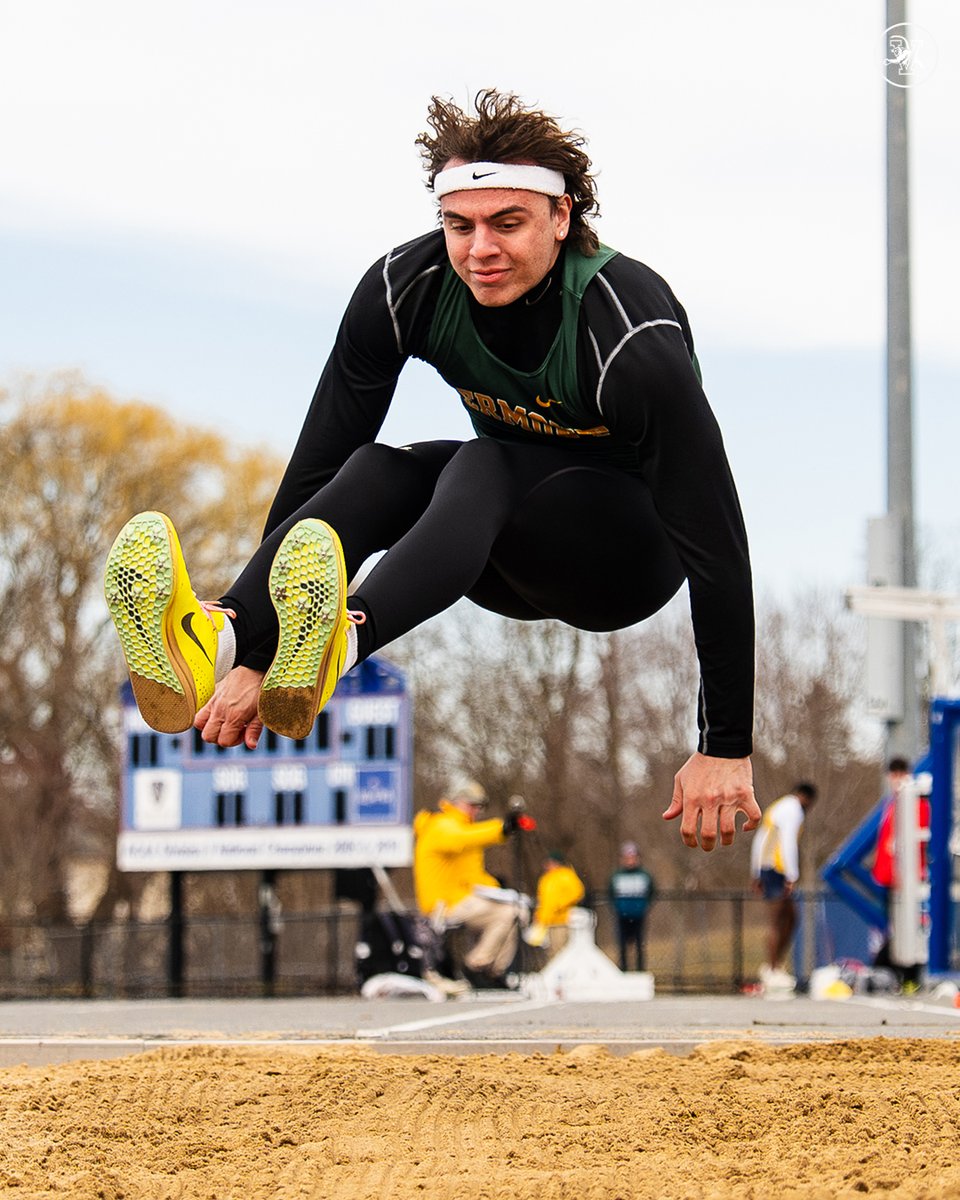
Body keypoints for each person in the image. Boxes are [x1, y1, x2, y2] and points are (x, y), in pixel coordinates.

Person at [104, 89, 759, 851]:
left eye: (507, 223)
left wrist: (725, 741)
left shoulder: (629, 335)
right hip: (491, 551)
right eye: (460, 225)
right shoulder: (404, 288)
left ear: (562, 216)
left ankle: (338, 646)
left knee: (482, 461)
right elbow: (319, 468)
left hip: (624, 560)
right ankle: (214, 635)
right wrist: (257, 654)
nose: (480, 248)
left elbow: (718, 548)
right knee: (378, 468)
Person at [412, 778, 525, 986]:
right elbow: (461, 838)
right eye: (472, 805)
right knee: (509, 912)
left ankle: (494, 972)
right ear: (456, 802)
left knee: (516, 910)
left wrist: (497, 887)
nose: (476, 811)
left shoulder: (464, 829)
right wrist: (502, 829)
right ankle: (477, 965)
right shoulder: (440, 825)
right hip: (443, 904)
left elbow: (472, 875)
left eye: (479, 807)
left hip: (463, 898)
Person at [750, 782, 818, 990]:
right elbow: (788, 841)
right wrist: (791, 874)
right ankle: (771, 969)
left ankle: (775, 966)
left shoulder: (779, 807)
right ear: (805, 798)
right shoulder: (793, 809)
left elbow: (760, 838)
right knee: (778, 919)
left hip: (767, 867)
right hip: (776, 869)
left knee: (790, 918)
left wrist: (755, 871)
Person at [871, 757, 931, 984]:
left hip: (908, 879)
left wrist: (905, 873)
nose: (896, 780)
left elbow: (915, 843)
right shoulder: (892, 804)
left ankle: (910, 977)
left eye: (900, 775)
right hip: (890, 878)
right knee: (896, 928)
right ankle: (897, 975)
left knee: (910, 927)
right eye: (892, 776)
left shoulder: (916, 804)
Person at [608, 841, 656, 972]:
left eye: (633, 857)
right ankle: (623, 971)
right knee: (622, 946)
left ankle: (641, 971)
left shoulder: (644, 875)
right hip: (622, 916)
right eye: (627, 857)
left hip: (639, 915)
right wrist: (616, 908)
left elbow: (652, 892)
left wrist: (645, 906)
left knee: (640, 945)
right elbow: (610, 894)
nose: (630, 860)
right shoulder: (617, 875)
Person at [526, 851, 585, 957]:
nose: (547, 865)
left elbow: (577, 892)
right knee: (550, 951)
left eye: (550, 863)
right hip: (546, 921)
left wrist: (559, 905)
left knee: (560, 949)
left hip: (561, 919)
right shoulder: (546, 878)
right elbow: (542, 899)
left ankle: (563, 972)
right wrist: (538, 914)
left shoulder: (566, 875)